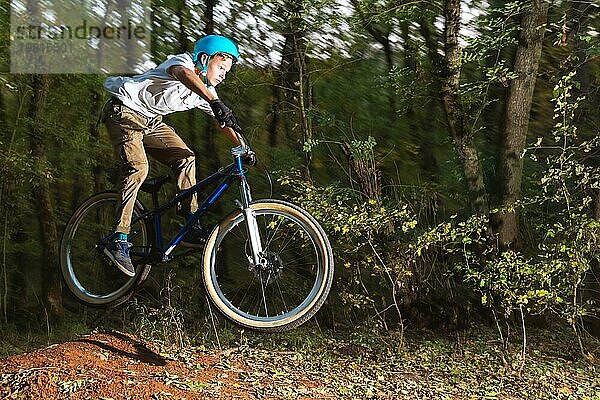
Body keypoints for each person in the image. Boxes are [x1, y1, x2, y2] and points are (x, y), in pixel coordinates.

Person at [102, 34, 248, 277]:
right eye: (220, 67)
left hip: (151, 122)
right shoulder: (182, 63)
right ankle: (118, 238)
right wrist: (214, 100)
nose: (223, 74)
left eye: (227, 71)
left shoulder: (205, 92)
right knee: (139, 167)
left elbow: (223, 123)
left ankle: (190, 223)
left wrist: (245, 148)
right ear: (203, 59)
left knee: (186, 157)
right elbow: (183, 75)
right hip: (124, 111)